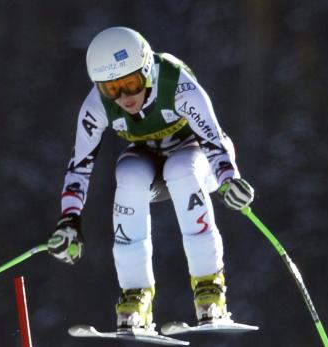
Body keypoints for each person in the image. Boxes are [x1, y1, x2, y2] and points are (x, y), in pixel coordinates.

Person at [47, 26, 255, 332]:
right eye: (111, 89)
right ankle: (135, 296)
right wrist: (70, 221)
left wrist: (229, 179)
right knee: (128, 174)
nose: (124, 97)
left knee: (180, 170)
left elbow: (215, 141)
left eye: (131, 84)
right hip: (148, 160)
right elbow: (79, 166)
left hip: (197, 157)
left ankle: (210, 289)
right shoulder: (96, 106)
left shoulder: (176, 85)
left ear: (147, 70)